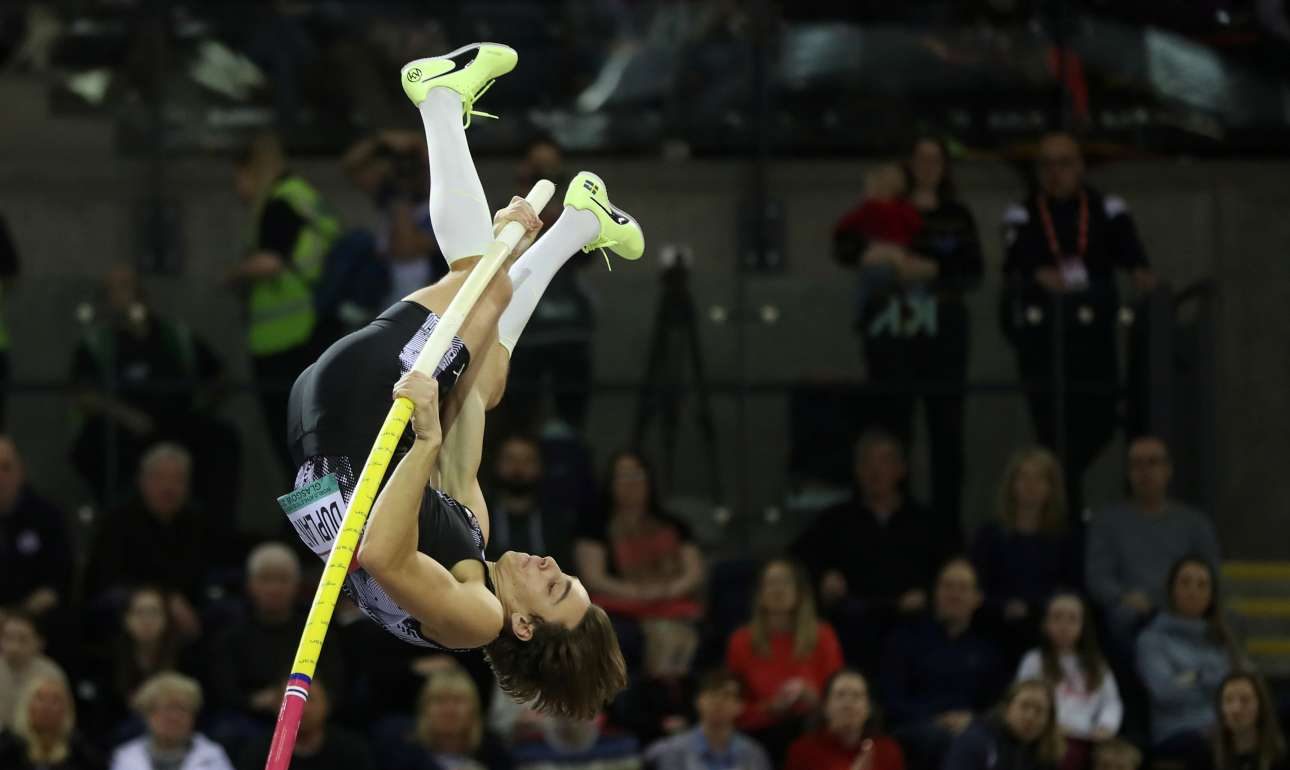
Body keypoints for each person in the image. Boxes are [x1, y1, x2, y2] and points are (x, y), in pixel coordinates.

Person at [282, 42, 642, 720]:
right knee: (491, 372)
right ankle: (579, 224)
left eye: (557, 587)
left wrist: (423, 430)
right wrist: (468, 361)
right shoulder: (472, 537)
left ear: (527, 627)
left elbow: (383, 555)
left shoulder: (474, 621)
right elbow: (467, 419)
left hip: (359, 414)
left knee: (482, 283)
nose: (551, 565)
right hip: (328, 423)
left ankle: (440, 99)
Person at [1001, 131, 1156, 514]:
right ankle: (1064, 512)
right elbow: (1014, 267)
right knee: (1051, 431)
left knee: (1100, 421)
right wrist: (1037, 275)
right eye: (1047, 165)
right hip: (1044, 344)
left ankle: (1059, 489)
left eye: (1065, 163)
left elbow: (1133, 257)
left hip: (1094, 341)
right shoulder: (1022, 213)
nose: (1056, 173)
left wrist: (1139, 271)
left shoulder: (1107, 208)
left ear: (1080, 167)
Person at [837, 139, 983, 540]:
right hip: (892, 331)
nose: (927, 166)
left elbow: (973, 270)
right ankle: (890, 531)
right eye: (919, 158)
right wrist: (877, 256)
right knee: (891, 432)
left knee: (946, 436)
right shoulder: (884, 209)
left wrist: (931, 268)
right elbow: (846, 245)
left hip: (943, 334)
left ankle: (945, 534)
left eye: (935, 159)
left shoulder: (956, 215)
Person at [69, 263, 241, 514]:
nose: (126, 296)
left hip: (178, 423)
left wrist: (201, 405)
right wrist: (127, 416)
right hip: (124, 430)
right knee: (92, 447)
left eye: (128, 287)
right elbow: (82, 394)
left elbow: (218, 376)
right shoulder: (97, 345)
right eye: (114, 290)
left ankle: (214, 525)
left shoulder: (176, 337)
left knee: (224, 439)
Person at [227, 132, 341, 475]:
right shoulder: (301, 195)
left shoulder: (278, 203)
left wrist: (234, 274)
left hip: (288, 342)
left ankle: (308, 521)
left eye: (237, 178)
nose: (237, 189)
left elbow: (271, 262)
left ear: (251, 170)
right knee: (313, 442)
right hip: (313, 333)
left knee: (293, 447)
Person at [791, 431, 950, 671]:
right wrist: (822, 578)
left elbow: (952, 570)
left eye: (885, 461)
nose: (875, 471)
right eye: (867, 462)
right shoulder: (834, 521)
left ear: (901, 469)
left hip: (912, 629)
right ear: (857, 470)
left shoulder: (926, 523)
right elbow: (796, 562)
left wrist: (927, 595)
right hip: (852, 628)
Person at [575, 450, 705, 679]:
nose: (630, 484)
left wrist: (665, 591)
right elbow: (594, 578)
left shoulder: (675, 525)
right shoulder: (593, 527)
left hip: (672, 602)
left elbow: (693, 573)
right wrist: (638, 593)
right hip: (619, 607)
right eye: (622, 477)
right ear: (610, 483)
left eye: (636, 476)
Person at [1086, 435, 1222, 651]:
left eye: (1153, 462)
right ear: (1128, 472)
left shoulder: (1195, 523)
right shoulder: (1108, 522)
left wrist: (1182, 599)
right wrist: (1124, 597)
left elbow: (1212, 574)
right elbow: (1097, 576)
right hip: (1131, 619)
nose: (1145, 471)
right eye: (1136, 464)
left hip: (1184, 615)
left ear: (1168, 469)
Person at [503, 135, 597, 436]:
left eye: (552, 169)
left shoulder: (575, 210)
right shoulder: (507, 211)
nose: (545, 175)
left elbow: (587, 254)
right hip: (521, 325)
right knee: (517, 418)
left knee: (570, 419)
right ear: (523, 171)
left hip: (569, 320)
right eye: (537, 169)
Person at [881, 557, 1007, 770]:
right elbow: (890, 699)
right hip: (915, 729)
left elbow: (997, 705)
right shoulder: (905, 640)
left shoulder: (987, 651)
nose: (954, 594)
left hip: (970, 731)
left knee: (976, 742)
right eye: (948, 586)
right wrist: (936, 719)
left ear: (977, 598)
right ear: (935, 593)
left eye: (963, 588)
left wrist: (972, 719)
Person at [209, 543, 345, 725]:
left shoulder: (317, 629)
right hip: (252, 720)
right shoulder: (232, 635)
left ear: (297, 585)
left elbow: (335, 684)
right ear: (250, 585)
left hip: (308, 717)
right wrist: (257, 701)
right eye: (266, 580)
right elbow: (224, 690)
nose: (274, 589)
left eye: (282, 580)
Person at [83, 443, 208, 638]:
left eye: (178, 480)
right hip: (128, 604)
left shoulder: (195, 521)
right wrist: (165, 600)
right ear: (142, 481)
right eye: (160, 478)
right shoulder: (117, 520)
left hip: (186, 606)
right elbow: (106, 579)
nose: (169, 488)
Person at [724, 558, 842, 762]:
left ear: (800, 592)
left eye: (785, 582)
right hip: (760, 735)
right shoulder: (741, 641)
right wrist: (770, 708)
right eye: (771, 583)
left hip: (812, 728)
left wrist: (812, 698)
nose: (778, 589)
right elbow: (733, 708)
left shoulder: (823, 635)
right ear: (760, 594)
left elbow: (839, 699)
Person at [971, 447, 1077, 658]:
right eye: (1024, 477)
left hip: (1048, 630)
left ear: (1051, 488)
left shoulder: (1066, 538)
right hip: (996, 628)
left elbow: (1072, 589)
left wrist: (1035, 608)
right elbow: (975, 587)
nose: (1031, 486)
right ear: (1012, 485)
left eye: (1039, 479)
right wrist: (1003, 607)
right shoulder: (989, 536)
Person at [1137, 555, 1241, 759]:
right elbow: (1165, 692)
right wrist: (1207, 676)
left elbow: (1242, 683)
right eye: (1185, 583)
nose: (1193, 591)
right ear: (1171, 589)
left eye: (1202, 585)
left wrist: (1190, 677)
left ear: (1212, 595)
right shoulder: (1152, 640)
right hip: (1178, 734)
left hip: (1224, 729)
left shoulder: (1222, 638)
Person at [80, 585, 201, 741]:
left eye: (153, 613)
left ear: (166, 620)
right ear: (126, 620)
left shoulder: (185, 657)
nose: (147, 620)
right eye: (139, 612)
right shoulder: (109, 659)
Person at [1016, 592, 1122, 770]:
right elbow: (1021, 700)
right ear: (1045, 624)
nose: (1064, 626)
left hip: (1087, 738)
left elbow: (1112, 702)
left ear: (1082, 625)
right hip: (1045, 736)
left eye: (1072, 619)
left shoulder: (1096, 664)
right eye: (1057, 617)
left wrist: (1106, 726)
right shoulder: (1034, 660)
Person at [341, 128, 442, 307]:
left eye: (413, 170)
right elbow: (351, 167)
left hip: (422, 308)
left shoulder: (438, 208)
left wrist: (419, 146)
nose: (406, 176)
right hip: (383, 300)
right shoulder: (389, 198)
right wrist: (379, 142)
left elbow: (405, 251)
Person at [0, 436, 72, 619]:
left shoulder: (47, 516)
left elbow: (59, 580)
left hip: (33, 617)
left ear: (20, 470)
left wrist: (21, 614)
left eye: (6, 468)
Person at [644, 668, 773, 770]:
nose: (718, 702)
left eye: (726, 696)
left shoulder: (753, 754)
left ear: (740, 706)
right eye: (711, 694)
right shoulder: (674, 751)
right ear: (698, 701)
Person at [387, 667, 511, 770]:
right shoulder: (404, 756)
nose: (449, 710)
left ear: (474, 708)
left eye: (458, 701)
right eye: (439, 700)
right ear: (424, 708)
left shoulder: (495, 754)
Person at [484, 434, 576, 571]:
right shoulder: (479, 515)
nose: (518, 468)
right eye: (510, 459)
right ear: (496, 464)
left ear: (540, 466)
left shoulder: (555, 520)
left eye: (527, 460)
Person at [237, 678, 371, 770]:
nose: (301, 708)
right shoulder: (258, 755)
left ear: (327, 704)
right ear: (276, 707)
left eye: (310, 699)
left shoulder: (352, 752)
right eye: (292, 700)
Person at [784, 668, 905, 770]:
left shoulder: (886, 751)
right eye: (840, 695)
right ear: (825, 707)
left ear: (868, 709)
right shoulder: (803, 752)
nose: (848, 704)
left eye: (857, 696)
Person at [109, 672, 234, 770]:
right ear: (148, 714)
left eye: (183, 709)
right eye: (167, 708)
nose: (174, 717)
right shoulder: (125, 758)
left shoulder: (213, 756)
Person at [942, 680, 1063, 770]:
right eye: (1024, 706)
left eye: (1039, 710)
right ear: (1007, 708)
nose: (1030, 717)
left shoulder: (1047, 756)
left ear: (1049, 720)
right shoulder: (977, 741)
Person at [0, 673, 102, 770]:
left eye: (55, 700)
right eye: (40, 698)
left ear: (66, 709)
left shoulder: (80, 752)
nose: (47, 707)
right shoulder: (7, 747)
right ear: (27, 705)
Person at [1195, 672, 1288, 770]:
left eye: (1245, 700)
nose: (1236, 709)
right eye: (1228, 700)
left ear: (1261, 706)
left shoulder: (1281, 755)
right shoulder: (1205, 754)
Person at [0, 611, 67, 731]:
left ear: (39, 643)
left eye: (23, 639)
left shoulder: (51, 674)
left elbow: (64, 721)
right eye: (8, 638)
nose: (13, 647)